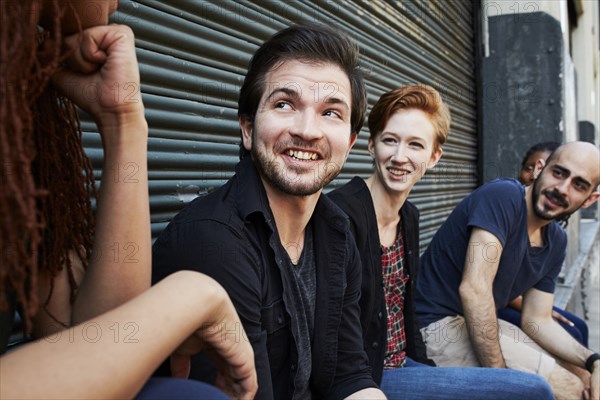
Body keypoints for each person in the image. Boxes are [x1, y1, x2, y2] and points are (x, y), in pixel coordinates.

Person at [0, 1, 257, 398]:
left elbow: (87, 338)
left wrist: (122, 123)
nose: (118, 3)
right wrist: (192, 296)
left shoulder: (18, 125)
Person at [152, 24, 386, 399]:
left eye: (331, 113)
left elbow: (349, 375)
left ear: (351, 141)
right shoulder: (211, 241)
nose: (308, 131)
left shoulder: (337, 230)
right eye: (284, 104)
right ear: (247, 128)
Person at [329, 85, 554, 399]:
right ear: (371, 145)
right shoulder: (340, 215)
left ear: (434, 156)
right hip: (365, 378)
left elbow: (404, 308)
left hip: (405, 363)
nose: (399, 156)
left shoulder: (409, 215)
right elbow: (331, 327)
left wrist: (425, 363)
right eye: (390, 140)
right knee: (533, 391)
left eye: (415, 145)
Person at [415, 141, 600, 400]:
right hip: (434, 326)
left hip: (478, 323)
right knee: (572, 390)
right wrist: (503, 381)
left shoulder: (556, 241)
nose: (562, 188)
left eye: (579, 185)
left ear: (589, 199)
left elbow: (538, 320)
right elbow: (474, 290)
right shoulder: (503, 197)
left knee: (585, 378)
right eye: (558, 173)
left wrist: (593, 360)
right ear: (539, 168)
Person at [498, 141, 589, 348]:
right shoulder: (504, 205)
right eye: (528, 168)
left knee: (580, 326)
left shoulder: (552, 230)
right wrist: (535, 311)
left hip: (519, 301)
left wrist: (542, 312)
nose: (531, 175)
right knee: (570, 331)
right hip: (492, 305)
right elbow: (489, 285)